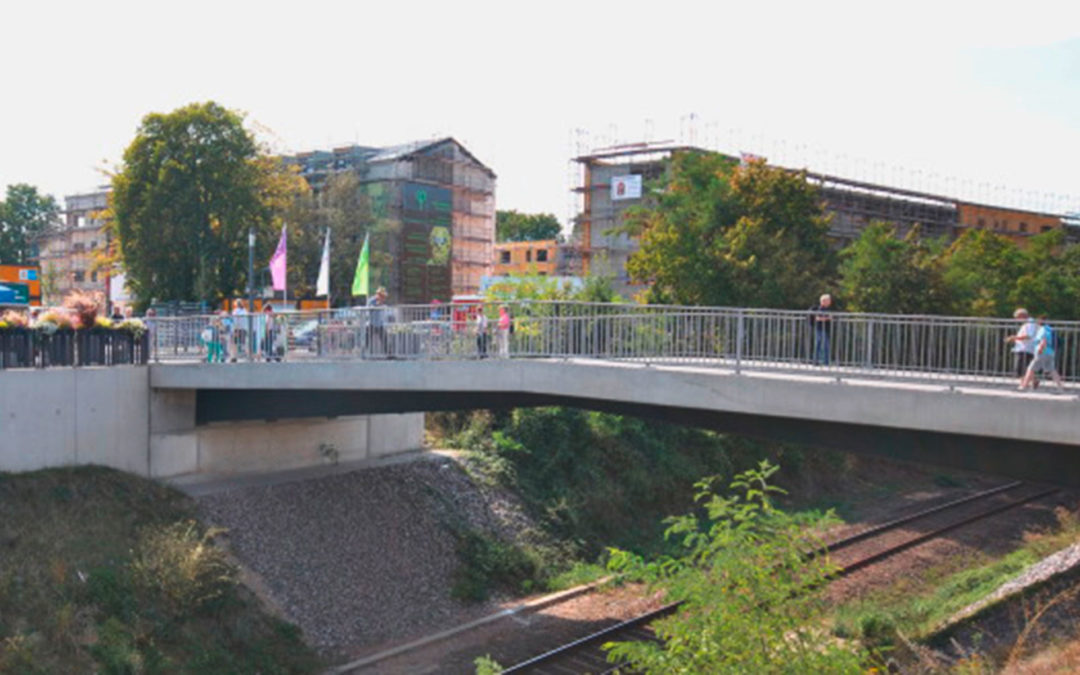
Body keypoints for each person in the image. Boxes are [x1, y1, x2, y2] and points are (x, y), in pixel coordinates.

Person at [1019, 315, 1065, 393]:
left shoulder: (1042, 330)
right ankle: (1060, 388)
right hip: (1050, 352)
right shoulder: (1050, 329)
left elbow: (1043, 340)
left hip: (1041, 352)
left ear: (1040, 322)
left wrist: (1040, 349)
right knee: (1052, 370)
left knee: (1030, 369)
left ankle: (1023, 386)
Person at [1004, 308, 1038, 388]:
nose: (1017, 320)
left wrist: (1014, 338)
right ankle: (1033, 380)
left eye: (1018, 317)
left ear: (1022, 315)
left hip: (1025, 348)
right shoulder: (1027, 323)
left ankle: (1023, 383)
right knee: (1026, 367)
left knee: (1020, 367)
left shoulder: (1030, 323)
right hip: (1024, 348)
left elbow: (1028, 336)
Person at [808, 293, 833, 365]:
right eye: (828, 300)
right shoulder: (818, 309)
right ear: (824, 301)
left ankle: (825, 361)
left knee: (825, 345)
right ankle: (817, 361)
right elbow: (818, 318)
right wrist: (827, 318)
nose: (830, 302)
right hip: (819, 329)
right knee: (819, 344)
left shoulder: (827, 309)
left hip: (825, 329)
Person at [366, 287, 389, 358]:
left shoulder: (382, 302)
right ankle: (363, 353)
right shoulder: (371, 300)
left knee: (385, 339)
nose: (383, 298)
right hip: (371, 323)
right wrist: (377, 305)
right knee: (366, 339)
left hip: (379, 324)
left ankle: (389, 354)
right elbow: (369, 308)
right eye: (381, 295)